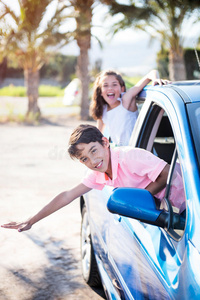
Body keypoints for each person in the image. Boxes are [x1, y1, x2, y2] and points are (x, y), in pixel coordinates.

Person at [1, 124, 185, 233]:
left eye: (94, 150)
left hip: (187, 201)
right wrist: (32, 220)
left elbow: (169, 173)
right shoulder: (98, 172)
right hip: (171, 213)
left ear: (105, 143)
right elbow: (67, 195)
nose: (93, 161)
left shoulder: (130, 156)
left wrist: (141, 197)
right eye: (84, 159)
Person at [90, 69, 169, 146]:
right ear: (100, 91)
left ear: (122, 89)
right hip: (120, 154)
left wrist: (155, 79)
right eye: (105, 85)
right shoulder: (103, 109)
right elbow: (98, 137)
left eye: (114, 84)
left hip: (138, 152)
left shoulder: (125, 101)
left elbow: (152, 73)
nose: (110, 88)